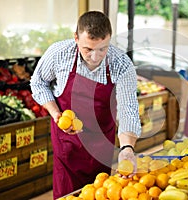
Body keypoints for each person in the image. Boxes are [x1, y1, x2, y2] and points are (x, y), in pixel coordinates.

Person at [30, 11, 141, 199]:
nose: (95, 56)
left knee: (100, 194)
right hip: (67, 146)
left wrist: (127, 148)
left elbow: (128, 109)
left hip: (101, 147)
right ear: (76, 37)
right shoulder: (59, 54)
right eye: (88, 49)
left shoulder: (121, 64)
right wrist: (56, 113)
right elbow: (38, 81)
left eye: (102, 49)